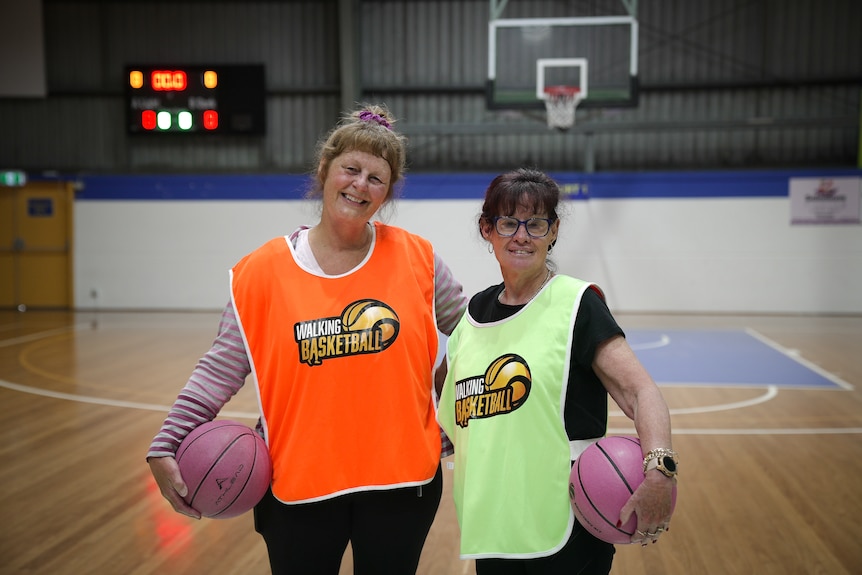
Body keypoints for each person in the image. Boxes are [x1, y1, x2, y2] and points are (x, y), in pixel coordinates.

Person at [147, 103, 467, 575]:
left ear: (387, 193)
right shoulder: (261, 272)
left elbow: (474, 336)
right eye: (351, 170)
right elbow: (220, 368)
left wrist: (447, 414)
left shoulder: (419, 260)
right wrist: (166, 442)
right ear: (325, 171)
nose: (360, 185)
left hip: (402, 483)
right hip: (297, 481)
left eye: (375, 178)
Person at [437, 168, 677, 574]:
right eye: (509, 222)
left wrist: (660, 470)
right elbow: (449, 391)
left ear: (553, 232)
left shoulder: (576, 304)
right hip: (494, 525)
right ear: (487, 230)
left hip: (566, 524)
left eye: (536, 223)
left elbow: (641, 392)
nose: (522, 235)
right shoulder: (474, 314)